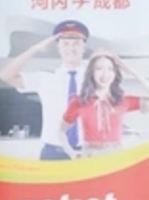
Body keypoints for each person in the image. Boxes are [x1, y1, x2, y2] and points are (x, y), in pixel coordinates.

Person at [0, 20, 90, 160]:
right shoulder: (46, 78)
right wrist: (35, 49)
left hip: (89, 153)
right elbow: (6, 75)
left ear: (84, 47)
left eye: (76, 43)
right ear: (58, 48)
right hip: (53, 154)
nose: (71, 48)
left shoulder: (97, 78)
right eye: (65, 44)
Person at [62, 51, 149, 157]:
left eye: (110, 69)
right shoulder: (79, 101)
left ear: (115, 74)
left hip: (116, 155)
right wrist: (72, 153)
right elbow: (61, 130)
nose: (105, 74)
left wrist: (132, 72)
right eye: (99, 69)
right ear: (91, 72)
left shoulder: (122, 101)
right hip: (90, 156)